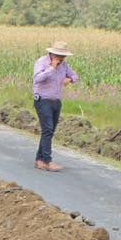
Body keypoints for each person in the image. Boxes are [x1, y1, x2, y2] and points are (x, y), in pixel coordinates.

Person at [32, 40, 78, 171]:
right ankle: (47, 161)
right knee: (47, 129)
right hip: (42, 100)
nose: (62, 59)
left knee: (49, 131)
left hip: (56, 101)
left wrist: (70, 79)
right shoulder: (41, 62)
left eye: (63, 56)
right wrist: (51, 68)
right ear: (51, 53)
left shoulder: (64, 65)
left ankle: (39, 159)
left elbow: (75, 75)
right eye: (59, 56)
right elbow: (37, 79)